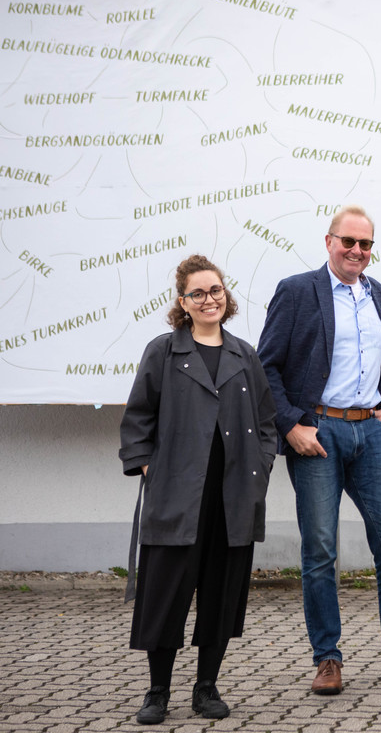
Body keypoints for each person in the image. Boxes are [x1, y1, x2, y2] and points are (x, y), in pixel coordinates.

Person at [257, 205, 381, 694]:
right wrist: (291, 426)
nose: (357, 252)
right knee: (321, 551)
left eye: (366, 245)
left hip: (369, 434)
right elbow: (266, 368)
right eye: (349, 242)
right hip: (317, 433)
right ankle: (327, 659)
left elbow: (370, 364)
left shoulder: (378, 294)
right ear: (329, 242)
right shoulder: (298, 291)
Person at [119, 254, 276, 725]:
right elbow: (138, 416)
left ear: (225, 296)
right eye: (198, 293)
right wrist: (147, 466)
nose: (209, 299)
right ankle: (157, 692)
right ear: (182, 302)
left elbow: (267, 422)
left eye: (216, 291)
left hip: (231, 498)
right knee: (164, 595)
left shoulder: (244, 354)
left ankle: (206, 687)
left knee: (221, 595)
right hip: (177, 495)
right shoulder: (164, 351)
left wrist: (261, 467)